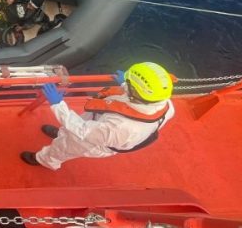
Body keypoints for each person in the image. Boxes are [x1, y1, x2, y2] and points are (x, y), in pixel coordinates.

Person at [20, 62, 175, 170]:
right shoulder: (165, 105)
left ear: (136, 92)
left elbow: (83, 131)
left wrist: (58, 104)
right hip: (99, 122)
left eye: (129, 83)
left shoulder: (122, 128)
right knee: (70, 130)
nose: (125, 84)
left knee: (63, 148)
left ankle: (45, 160)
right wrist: (124, 85)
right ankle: (62, 133)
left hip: (93, 141)